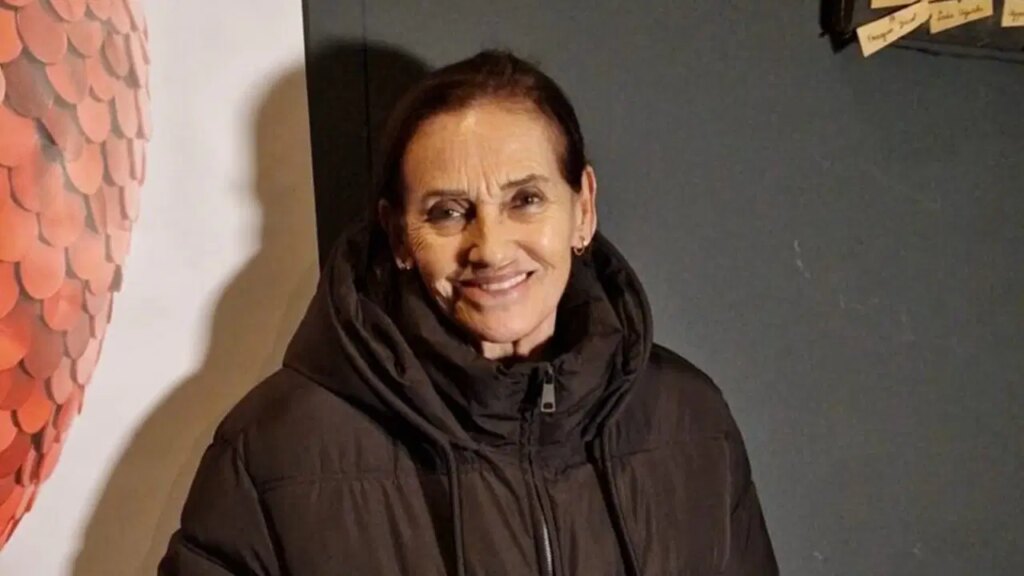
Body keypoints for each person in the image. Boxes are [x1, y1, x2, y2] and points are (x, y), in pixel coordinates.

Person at [159, 49, 777, 576]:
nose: (492, 249)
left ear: (583, 208)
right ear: (399, 235)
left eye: (526, 199)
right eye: (448, 212)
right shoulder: (274, 450)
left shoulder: (692, 420)